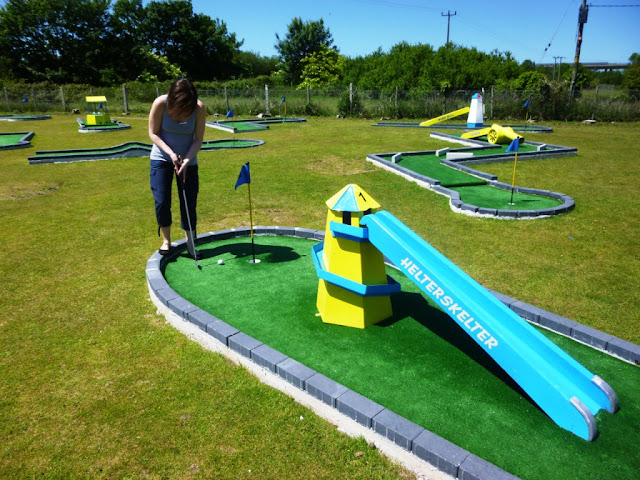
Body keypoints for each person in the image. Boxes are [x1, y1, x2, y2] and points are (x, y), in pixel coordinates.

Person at [149, 78, 206, 257]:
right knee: (162, 199)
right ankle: (166, 241)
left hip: (189, 160)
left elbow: (198, 139)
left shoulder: (198, 108)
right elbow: (153, 133)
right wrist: (172, 155)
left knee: (189, 202)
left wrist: (187, 161)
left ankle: (190, 244)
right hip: (161, 158)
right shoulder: (160, 103)